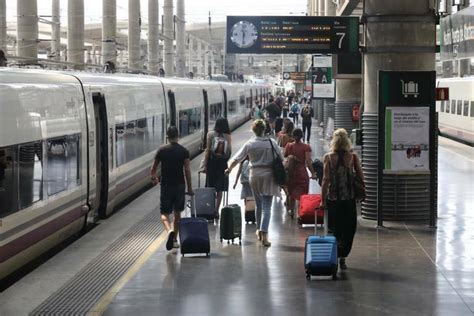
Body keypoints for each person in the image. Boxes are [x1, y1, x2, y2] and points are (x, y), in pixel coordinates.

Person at [225, 119, 283, 247]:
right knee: (267, 206)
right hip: (269, 176)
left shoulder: (250, 144)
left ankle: (258, 230)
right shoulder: (271, 143)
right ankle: (264, 235)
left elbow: (237, 158)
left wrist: (229, 169)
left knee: (258, 204)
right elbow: (281, 158)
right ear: (264, 130)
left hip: (254, 175)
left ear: (253, 130)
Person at [320, 128, 365, 270]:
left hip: (333, 199)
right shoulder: (353, 157)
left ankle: (334, 254)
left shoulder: (328, 157)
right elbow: (361, 177)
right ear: (347, 141)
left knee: (334, 229)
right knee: (349, 228)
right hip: (349, 199)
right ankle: (343, 256)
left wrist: (322, 200)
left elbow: (326, 180)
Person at [150, 126, 193, 251]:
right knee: (177, 213)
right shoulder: (184, 151)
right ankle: (174, 240)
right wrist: (190, 188)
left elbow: (153, 169)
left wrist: (154, 178)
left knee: (164, 214)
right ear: (178, 136)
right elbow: (187, 170)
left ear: (167, 136)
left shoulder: (161, 150)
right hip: (180, 185)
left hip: (166, 185)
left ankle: (169, 231)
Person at [202, 117, 231, 218]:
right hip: (222, 165)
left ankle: (209, 210)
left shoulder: (210, 134)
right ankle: (216, 210)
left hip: (211, 164)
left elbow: (207, 150)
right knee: (220, 189)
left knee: (210, 187)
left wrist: (204, 165)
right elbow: (229, 152)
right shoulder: (228, 136)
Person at [284, 128, 317, 216]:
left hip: (291, 173)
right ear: (302, 136)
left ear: (293, 136)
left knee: (291, 193)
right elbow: (308, 162)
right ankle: (300, 212)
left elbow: (285, 156)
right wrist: (313, 173)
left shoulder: (288, 146)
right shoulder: (306, 147)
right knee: (303, 194)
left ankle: (291, 210)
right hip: (301, 173)